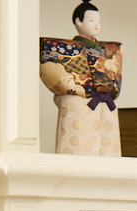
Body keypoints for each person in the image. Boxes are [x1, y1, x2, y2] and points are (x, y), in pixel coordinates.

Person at [38, 1, 123, 155]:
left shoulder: (109, 49)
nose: (96, 25)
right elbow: (56, 74)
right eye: (91, 20)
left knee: (108, 153)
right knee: (78, 147)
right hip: (77, 104)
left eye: (99, 21)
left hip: (105, 103)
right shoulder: (65, 48)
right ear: (78, 21)